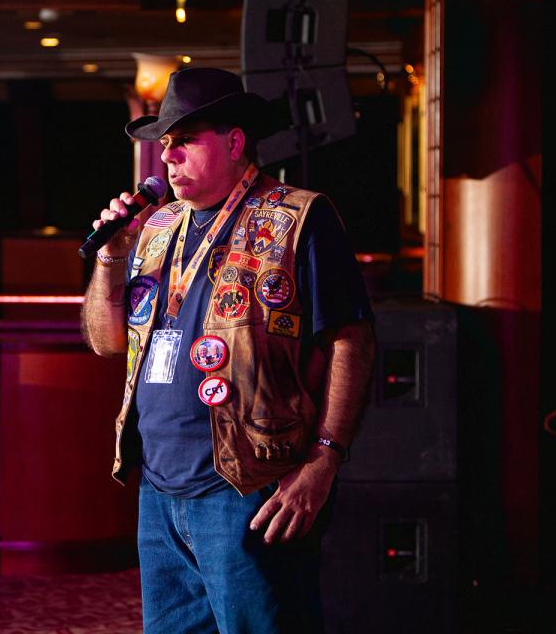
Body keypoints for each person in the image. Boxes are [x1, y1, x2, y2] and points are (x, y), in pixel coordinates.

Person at [81, 67, 376, 633]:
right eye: (165, 144)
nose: (168, 157)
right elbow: (105, 340)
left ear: (235, 142)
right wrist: (110, 256)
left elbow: (351, 341)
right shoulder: (156, 226)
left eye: (185, 141)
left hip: (249, 485)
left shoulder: (298, 217)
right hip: (159, 488)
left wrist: (325, 458)